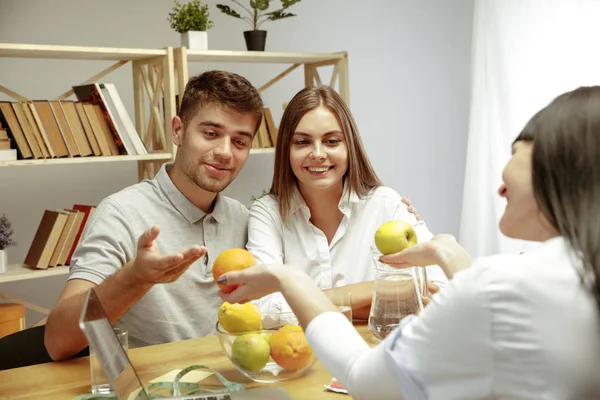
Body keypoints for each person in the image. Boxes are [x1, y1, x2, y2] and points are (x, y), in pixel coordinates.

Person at [218, 86, 600, 399]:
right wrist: (438, 260)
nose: (499, 184)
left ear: (560, 170)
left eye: (516, 154)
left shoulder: (391, 207)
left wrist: (291, 280)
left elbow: (366, 376)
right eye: (302, 142)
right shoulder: (562, 273)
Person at [45, 70, 264, 361]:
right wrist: (134, 278)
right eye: (210, 133)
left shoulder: (244, 218)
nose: (225, 152)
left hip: (228, 382)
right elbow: (58, 342)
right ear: (178, 131)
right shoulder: (121, 212)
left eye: (240, 142)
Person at [246, 85, 446, 318]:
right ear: (286, 150)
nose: (318, 153)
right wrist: (377, 292)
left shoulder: (386, 204)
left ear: (349, 146)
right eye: (302, 142)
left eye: (331, 141)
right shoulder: (267, 213)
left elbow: (438, 290)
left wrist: (303, 299)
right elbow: (262, 308)